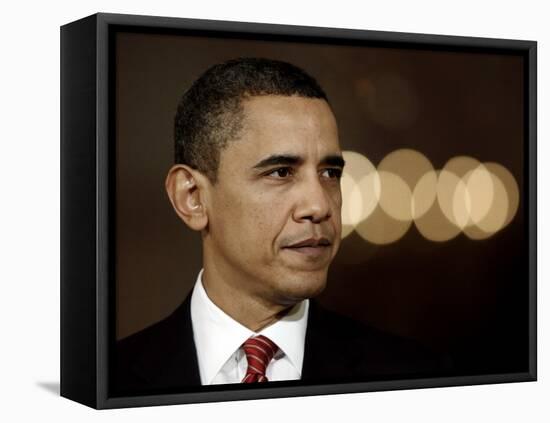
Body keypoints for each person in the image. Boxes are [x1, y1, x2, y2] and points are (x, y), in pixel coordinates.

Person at [114, 57, 450, 396]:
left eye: (330, 173)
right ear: (192, 197)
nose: (319, 206)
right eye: (281, 172)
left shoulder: (412, 378)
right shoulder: (112, 379)